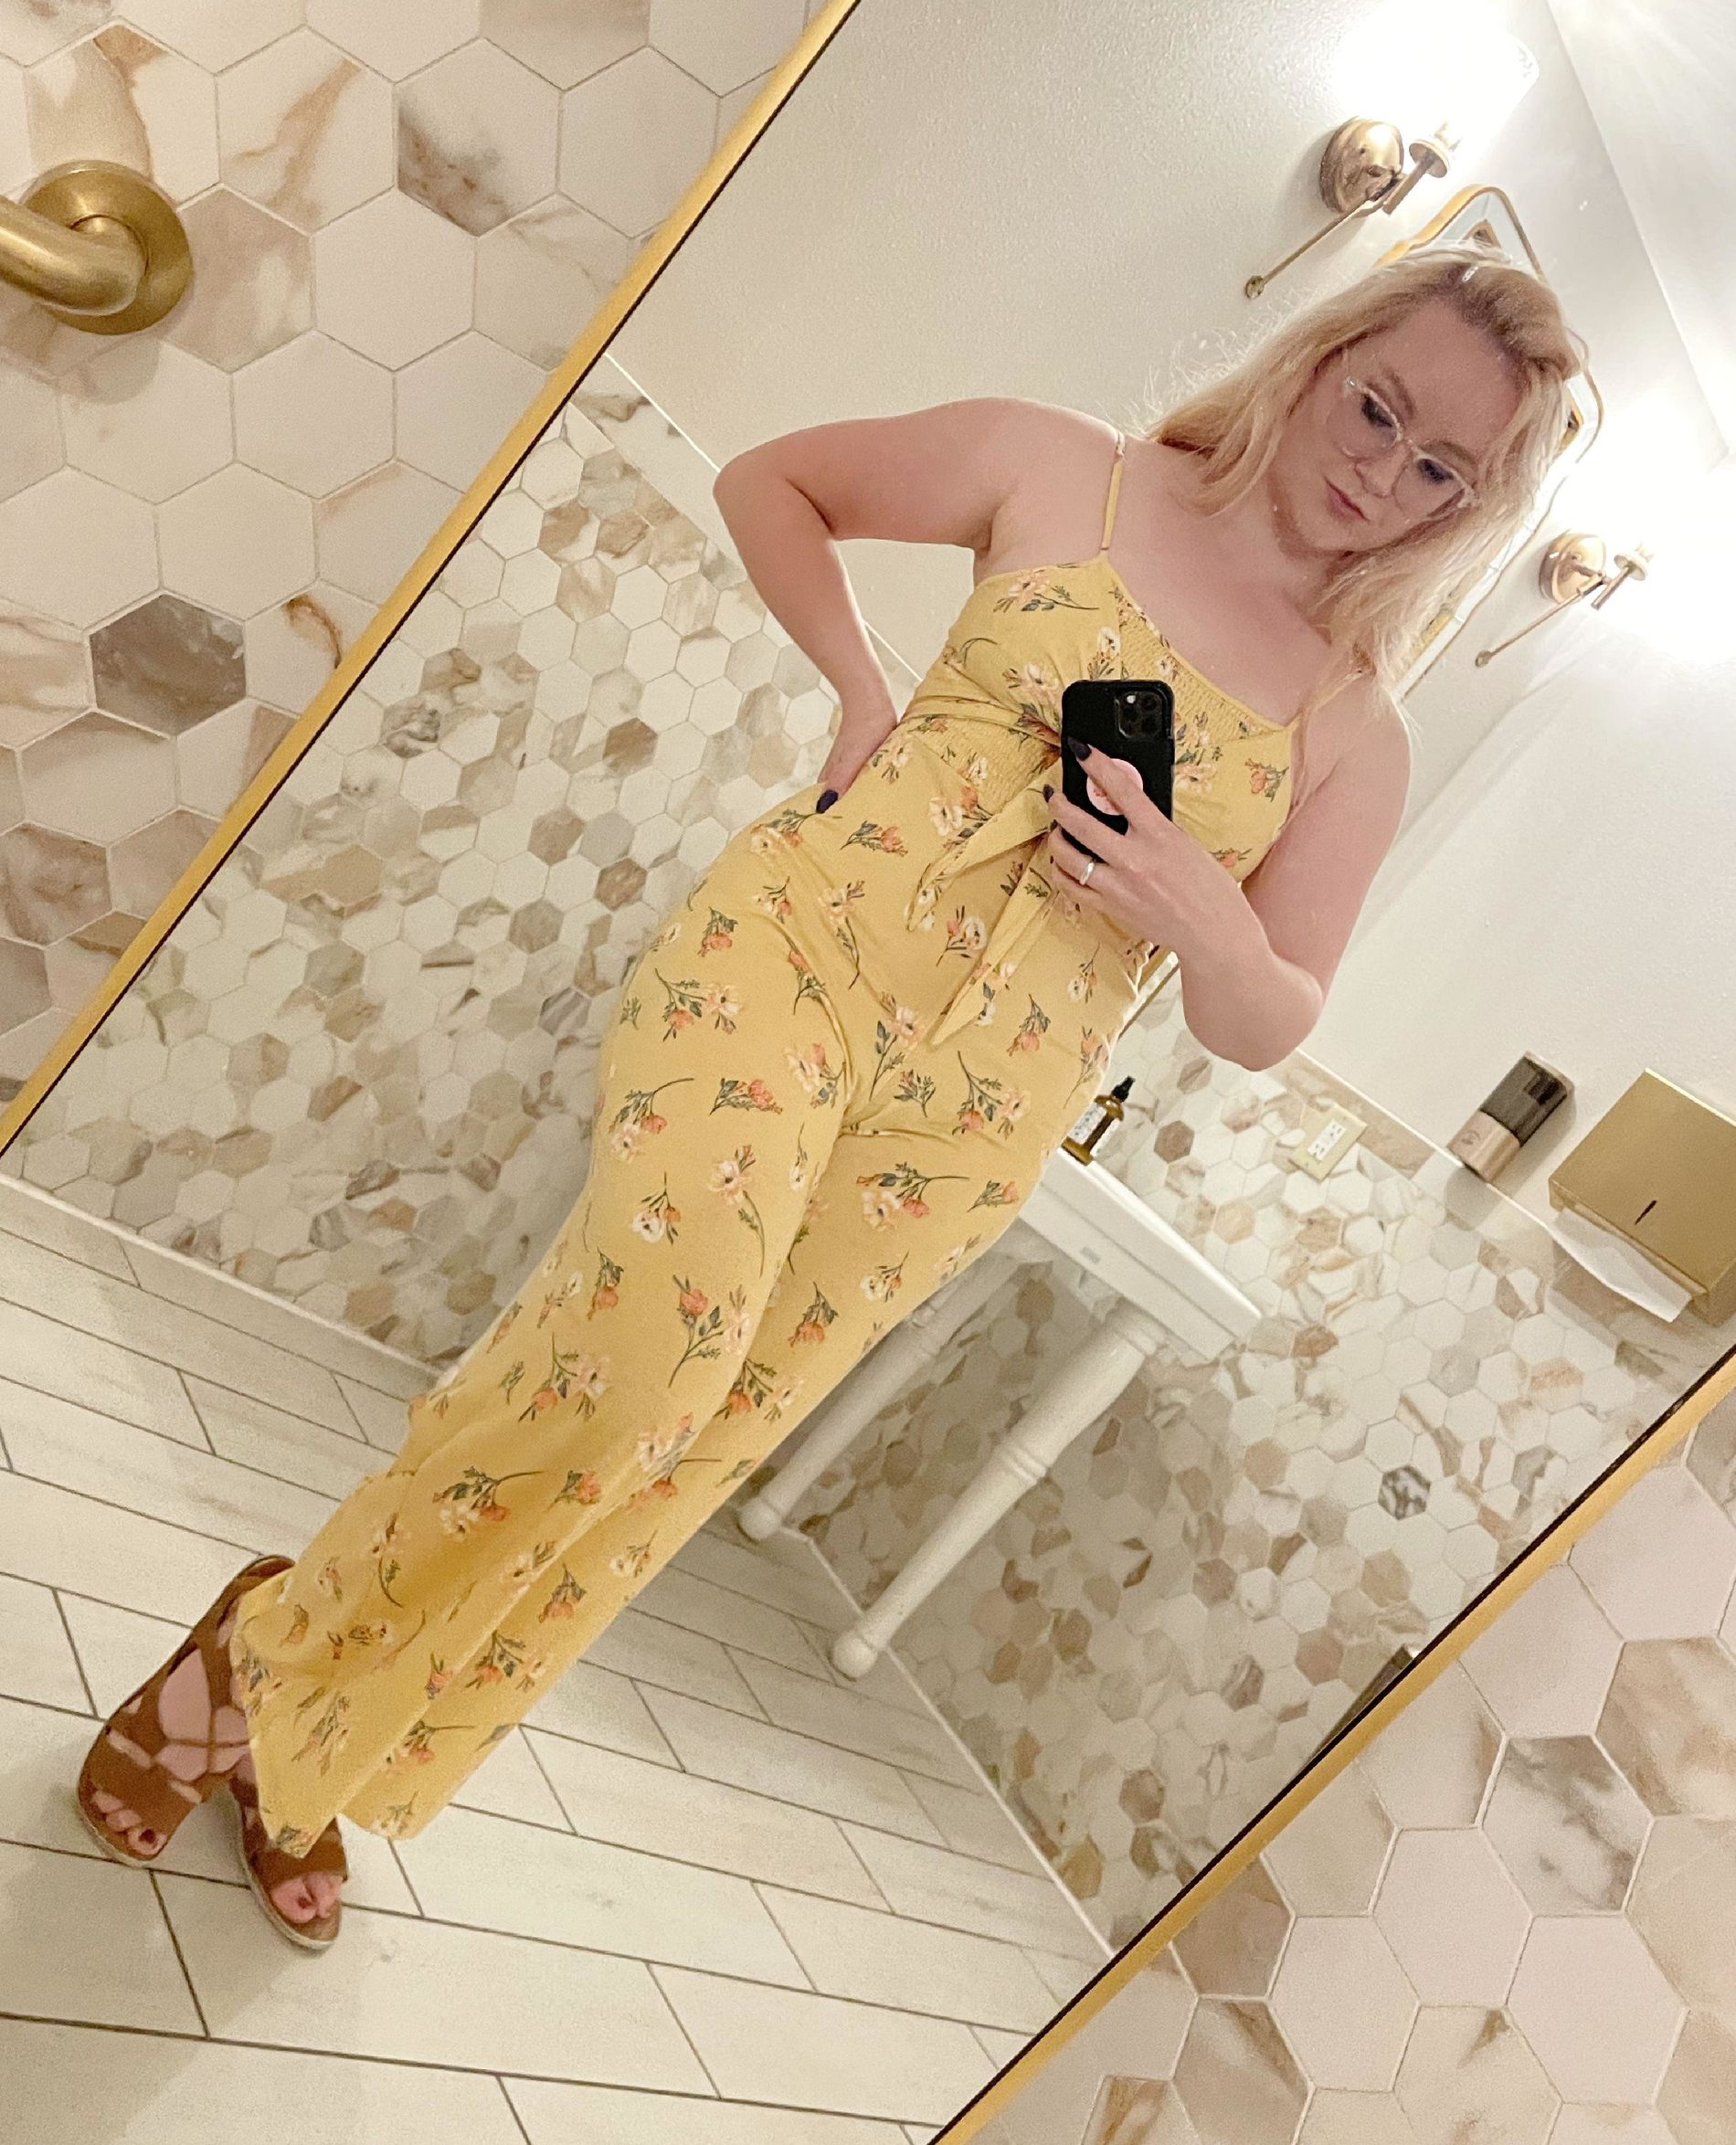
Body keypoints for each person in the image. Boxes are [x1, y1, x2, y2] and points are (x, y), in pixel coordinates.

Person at [73, 245, 1585, 1948]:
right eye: (1376, 408)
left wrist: (1200, 910)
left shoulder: (1355, 731)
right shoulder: (1063, 465)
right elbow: (771, 482)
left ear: (1469, 511)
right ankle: (268, 1665)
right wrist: (867, 687)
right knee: (636, 1360)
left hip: (971, 1120)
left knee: (680, 1453)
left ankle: (314, 1741)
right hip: (794, 954)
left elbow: (1267, 1017)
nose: (1385, 472)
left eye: (1442, 468)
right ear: (1317, 359)